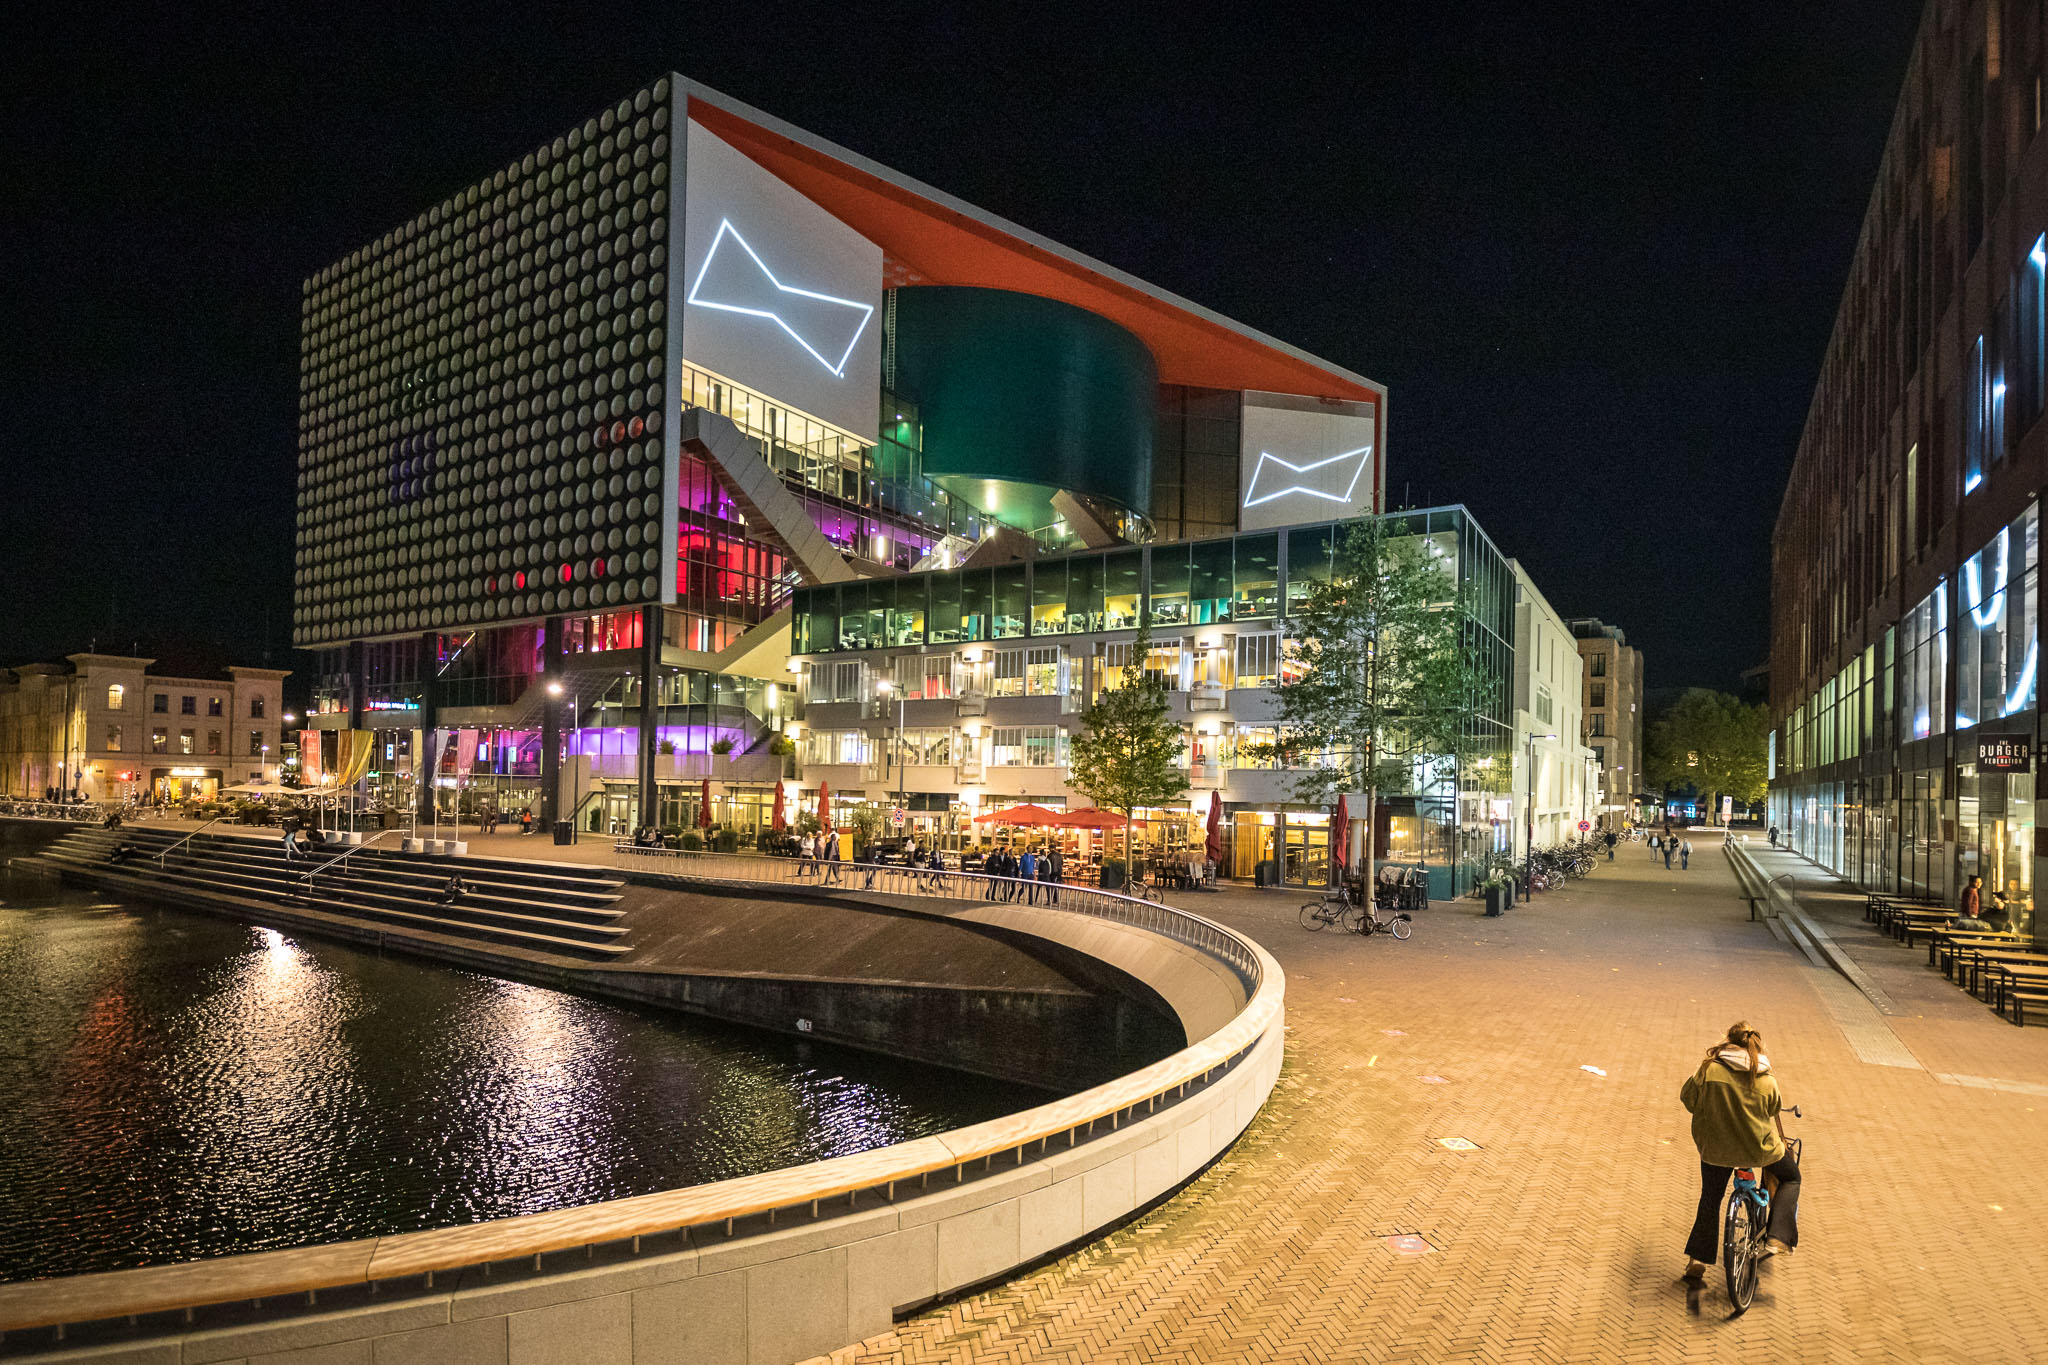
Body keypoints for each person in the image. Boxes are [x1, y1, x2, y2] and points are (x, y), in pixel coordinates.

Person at [1680, 1022, 1800, 1280]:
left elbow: (1688, 1100)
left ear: (1728, 1042)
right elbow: (1772, 1111)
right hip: (1759, 1150)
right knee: (1792, 1177)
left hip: (1716, 1150)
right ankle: (1778, 1237)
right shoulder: (1767, 1080)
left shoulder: (1709, 1070)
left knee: (1710, 1198)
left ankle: (1698, 1258)